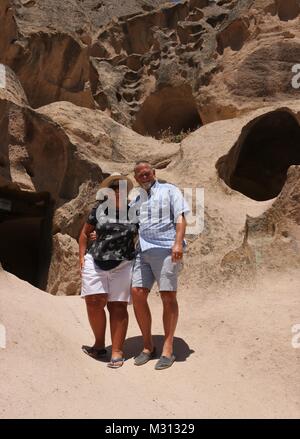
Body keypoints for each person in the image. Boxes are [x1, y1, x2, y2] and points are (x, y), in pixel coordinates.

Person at [130, 161, 190, 370]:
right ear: (136, 179)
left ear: (154, 173)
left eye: (146, 172)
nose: (143, 176)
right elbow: (128, 226)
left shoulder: (169, 190)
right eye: (139, 174)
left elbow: (180, 218)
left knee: (167, 295)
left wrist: (177, 243)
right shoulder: (137, 200)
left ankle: (167, 347)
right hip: (143, 251)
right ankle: (148, 346)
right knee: (137, 293)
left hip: (166, 249)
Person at [79, 173, 138, 369]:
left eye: (121, 188)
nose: (118, 191)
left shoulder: (134, 211)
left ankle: (117, 351)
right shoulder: (98, 210)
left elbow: (144, 234)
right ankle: (99, 344)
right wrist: (81, 257)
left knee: (117, 307)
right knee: (94, 302)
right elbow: (85, 234)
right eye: (114, 188)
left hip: (123, 264)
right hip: (95, 260)